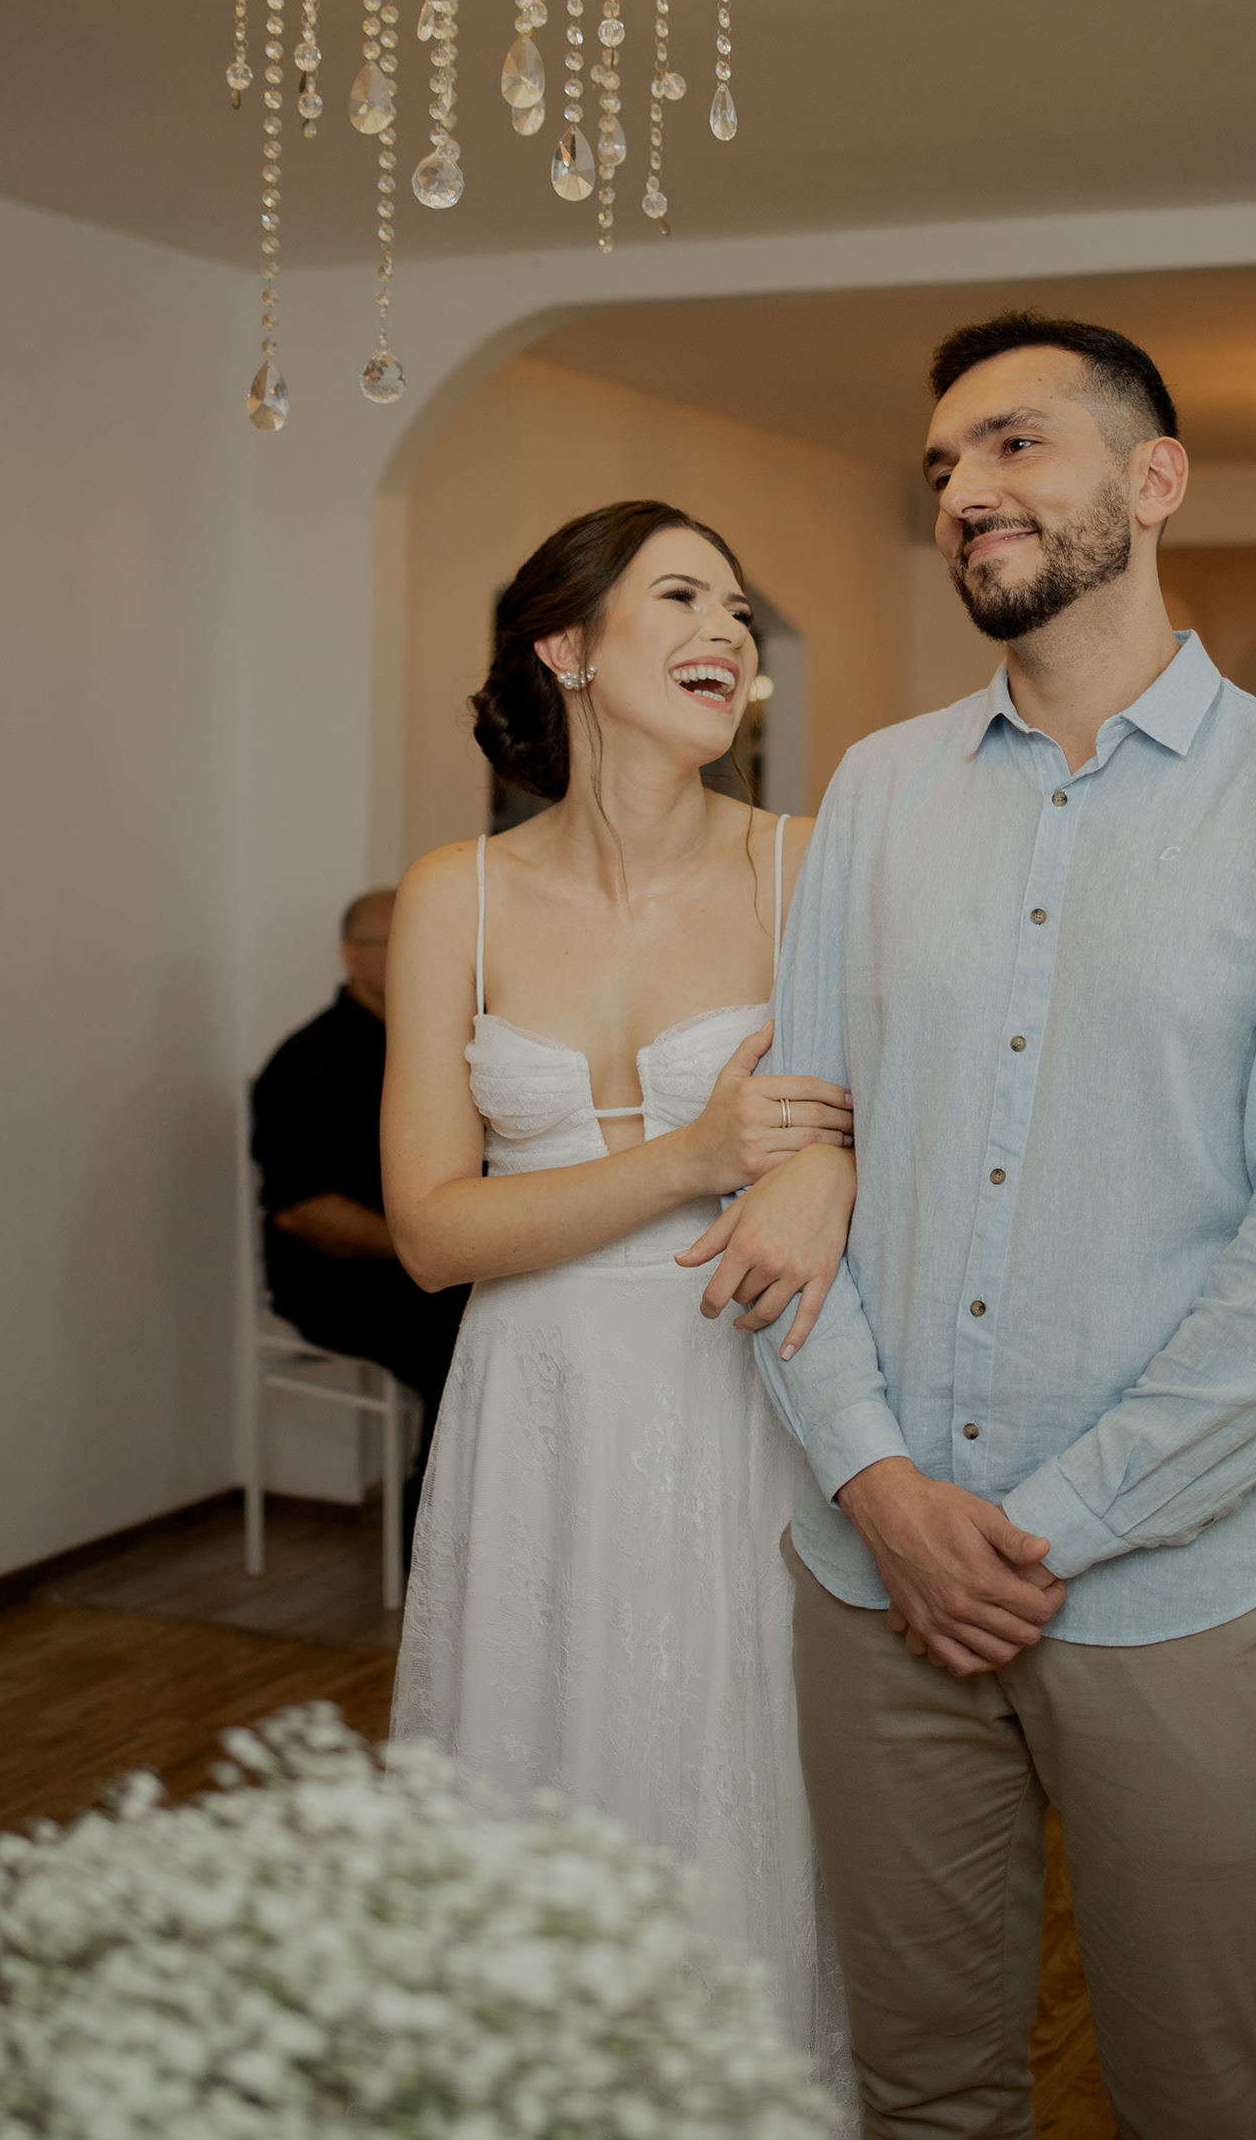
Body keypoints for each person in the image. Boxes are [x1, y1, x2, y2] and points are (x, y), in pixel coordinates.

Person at [750, 311, 1256, 2140]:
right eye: (943, 467)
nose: (965, 491)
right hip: (875, 1583)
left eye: (1015, 444)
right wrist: (883, 1491)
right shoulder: (875, 793)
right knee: (923, 2095)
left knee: (1200, 2099)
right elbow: (792, 1165)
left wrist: (1037, 1531)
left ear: (1155, 478)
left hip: (1181, 1595)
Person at [381, 501, 860, 2113]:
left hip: (746, 1391)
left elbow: (901, 1135)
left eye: (738, 606)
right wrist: (695, 1157)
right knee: (536, 1770)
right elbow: (432, 1232)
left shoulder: (803, 866)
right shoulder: (456, 894)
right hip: (531, 1412)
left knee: (733, 1783)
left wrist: (825, 1163)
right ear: (566, 646)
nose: (727, 629)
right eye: (681, 596)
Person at [251, 890, 468, 1562]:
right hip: (334, 1279)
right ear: (353, 956)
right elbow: (303, 1209)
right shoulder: (307, 1060)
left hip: (429, 1265)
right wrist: (430, 1247)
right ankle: (432, 1553)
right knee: (462, 1338)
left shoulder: (439, 1045)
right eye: (401, 942)